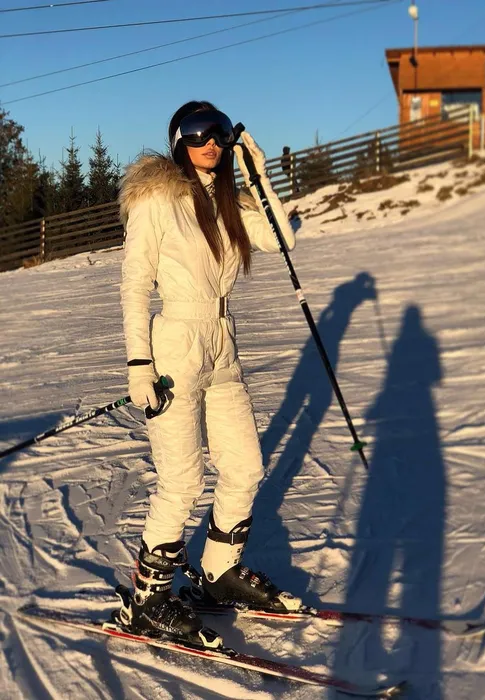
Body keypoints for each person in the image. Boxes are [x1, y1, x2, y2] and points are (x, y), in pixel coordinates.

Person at [117, 101, 300, 645]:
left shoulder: (228, 202)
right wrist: (139, 364)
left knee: (245, 466)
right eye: (198, 135)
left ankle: (219, 574)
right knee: (181, 480)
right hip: (175, 343)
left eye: (218, 133)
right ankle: (147, 601)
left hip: (222, 343)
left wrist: (258, 176)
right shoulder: (157, 198)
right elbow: (134, 283)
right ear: (179, 142)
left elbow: (283, 238)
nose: (210, 143)